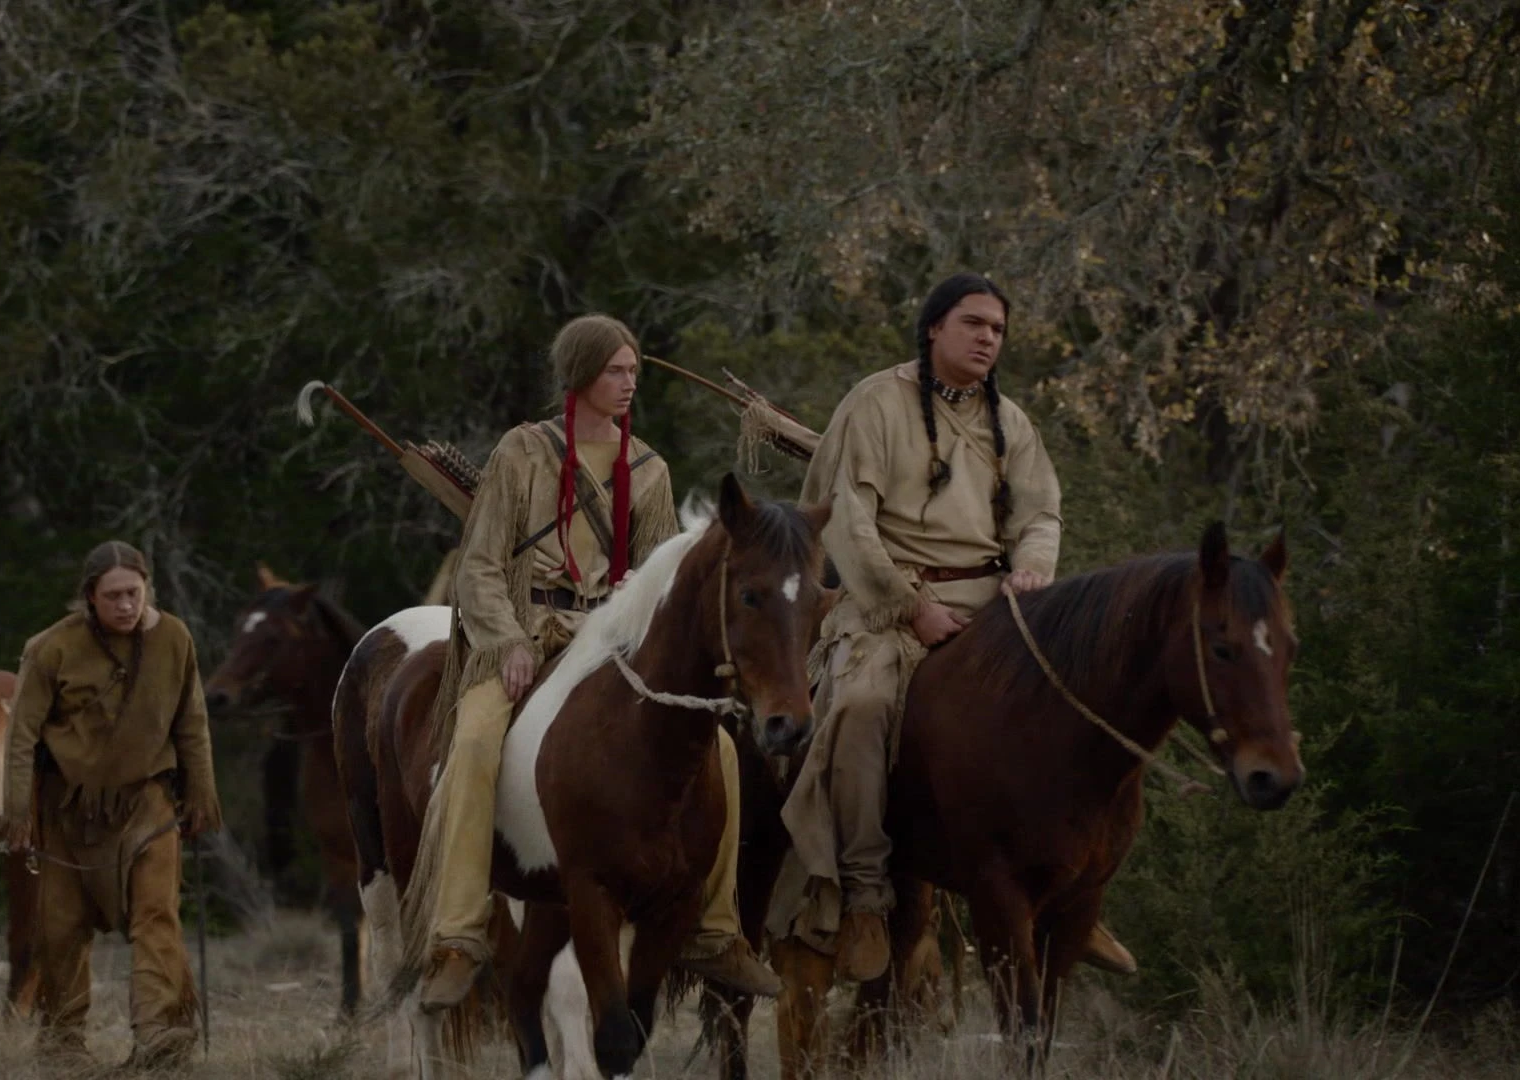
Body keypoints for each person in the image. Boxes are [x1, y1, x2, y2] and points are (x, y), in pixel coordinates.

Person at [413, 313, 781, 1011]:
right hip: (524, 628)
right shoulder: (522, 453)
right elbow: (480, 566)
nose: (629, 381)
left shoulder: (648, 469)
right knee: (475, 740)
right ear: (581, 372)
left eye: (634, 370)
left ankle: (716, 930)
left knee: (724, 753)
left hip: (610, 637)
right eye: (616, 369)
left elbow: (661, 571)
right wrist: (507, 642)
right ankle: (458, 936)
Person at [775, 272, 1136, 981]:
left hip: (995, 609)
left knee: (1078, 713)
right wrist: (910, 606)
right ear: (934, 326)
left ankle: (1078, 897)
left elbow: (1041, 514)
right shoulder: (875, 402)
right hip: (886, 605)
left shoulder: (1012, 422)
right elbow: (846, 521)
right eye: (973, 323)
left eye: (997, 329)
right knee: (860, 709)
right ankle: (866, 897)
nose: (987, 338)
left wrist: (1032, 569)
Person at [3, 540, 222, 1068]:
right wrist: (17, 813)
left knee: (156, 918)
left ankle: (160, 1036)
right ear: (89, 596)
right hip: (68, 811)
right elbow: (21, 736)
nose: (125, 605)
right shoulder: (51, 647)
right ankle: (63, 1044)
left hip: (147, 804)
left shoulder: (174, 638)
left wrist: (201, 794)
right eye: (113, 596)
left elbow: (192, 721)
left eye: (133, 593)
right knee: (60, 929)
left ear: (147, 589)